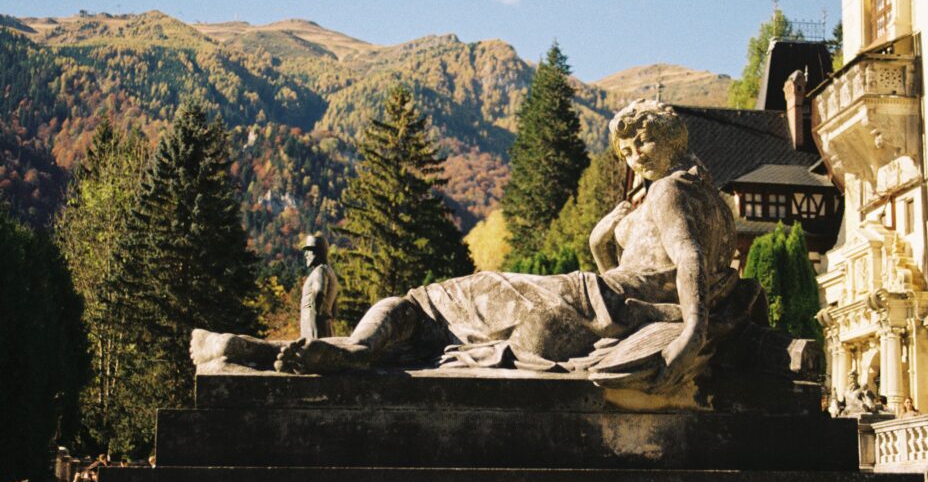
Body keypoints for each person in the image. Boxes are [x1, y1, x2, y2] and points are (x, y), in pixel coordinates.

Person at [190, 100, 792, 397]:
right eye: (627, 152)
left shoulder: (667, 192)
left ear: (668, 138)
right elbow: (659, 270)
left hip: (590, 300)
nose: (633, 159)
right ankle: (309, 350)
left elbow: (686, 262)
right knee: (438, 323)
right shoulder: (711, 198)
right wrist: (601, 236)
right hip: (607, 303)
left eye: (641, 146)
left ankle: (351, 347)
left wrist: (689, 338)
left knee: (429, 302)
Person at [300, 234, 339, 341]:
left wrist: (314, 317)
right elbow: (334, 308)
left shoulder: (320, 271)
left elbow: (319, 292)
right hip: (325, 324)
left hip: (313, 326)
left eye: (309, 250)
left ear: (319, 251)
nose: (306, 254)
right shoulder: (331, 273)